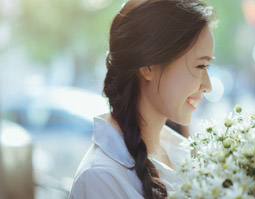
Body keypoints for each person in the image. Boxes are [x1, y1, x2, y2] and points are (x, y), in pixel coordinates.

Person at [68, 0, 215, 198]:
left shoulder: (181, 152)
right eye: (200, 66)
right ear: (149, 66)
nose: (208, 87)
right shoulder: (100, 178)